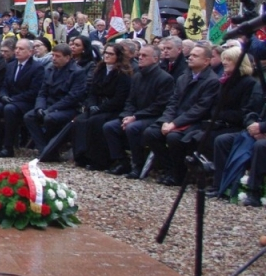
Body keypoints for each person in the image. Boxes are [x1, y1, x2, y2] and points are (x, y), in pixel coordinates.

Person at [142, 44, 220, 185]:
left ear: (206, 61)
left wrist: (174, 124)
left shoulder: (212, 81)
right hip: (175, 119)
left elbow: (199, 109)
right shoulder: (184, 77)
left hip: (195, 123)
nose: (190, 58)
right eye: (190, 55)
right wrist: (166, 120)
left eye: (195, 56)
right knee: (150, 133)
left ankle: (179, 174)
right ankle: (169, 168)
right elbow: (173, 102)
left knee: (174, 138)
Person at [103, 44, 175, 178]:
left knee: (132, 128)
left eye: (144, 56)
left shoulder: (165, 79)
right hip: (136, 116)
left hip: (153, 117)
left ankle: (138, 165)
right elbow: (130, 100)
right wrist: (127, 115)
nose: (140, 58)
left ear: (155, 59)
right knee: (110, 127)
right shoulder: (137, 76)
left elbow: (159, 106)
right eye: (139, 55)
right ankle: (122, 161)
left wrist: (135, 117)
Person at [72, 42, 131, 170]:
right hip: (97, 106)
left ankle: (99, 160)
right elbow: (92, 91)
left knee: (96, 122)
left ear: (118, 56)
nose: (107, 56)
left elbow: (119, 99)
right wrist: (92, 105)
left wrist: (101, 108)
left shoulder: (123, 74)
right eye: (106, 53)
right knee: (80, 120)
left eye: (111, 54)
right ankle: (82, 156)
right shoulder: (100, 69)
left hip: (113, 109)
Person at [23, 44, 87, 157]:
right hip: (49, 105)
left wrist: (52, 109)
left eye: (58, 56)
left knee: (50, 119)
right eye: (53, 55)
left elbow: (72, 97)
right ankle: (44, 149)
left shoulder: (77, 72)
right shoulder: (50, 69)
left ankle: (51, 149)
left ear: (67, 58)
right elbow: (42, 92)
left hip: (67, 108)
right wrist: (40, 107)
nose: (54, 58)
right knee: (29, 116)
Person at [0, 39, 45, 158]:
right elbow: (4, 85)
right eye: (16, 48)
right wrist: (3, 95)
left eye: (21, 49)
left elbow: (34, 91)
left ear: (30, 52)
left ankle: (8, 147)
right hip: (10, 100)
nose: (17, 51)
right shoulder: (11, 65)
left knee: (9, 109)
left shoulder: (37, 67)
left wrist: (14, 99)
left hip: (26, 102)